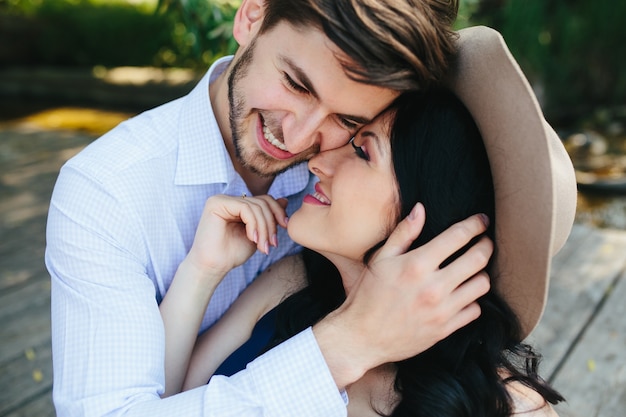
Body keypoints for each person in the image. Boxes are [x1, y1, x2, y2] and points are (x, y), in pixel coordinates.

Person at [44, 0, 572, 413]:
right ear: (252, 16)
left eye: (349, 125)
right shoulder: (109, 192)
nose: (300, 141)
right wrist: (351, 338)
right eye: (295, 83)